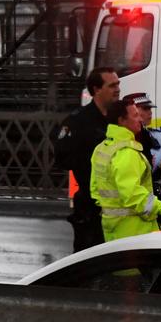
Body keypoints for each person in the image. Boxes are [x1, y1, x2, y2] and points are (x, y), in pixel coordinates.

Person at [90, 96, 161, 242]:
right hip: (135, 230)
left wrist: (112, 211)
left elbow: (95, 191)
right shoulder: (127, 153)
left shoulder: (101, 149)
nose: (140, 119)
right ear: (122, 121)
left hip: (112, 227)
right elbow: (135, 196)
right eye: (135, 115)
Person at [53, 67, 121, 251]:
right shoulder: (78, 122)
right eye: (112, 85)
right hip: (91, 207)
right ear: (96, 89)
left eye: (118, 84)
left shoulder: (120, 118)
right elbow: (62, 157)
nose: (117, 89)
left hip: (117, 208)